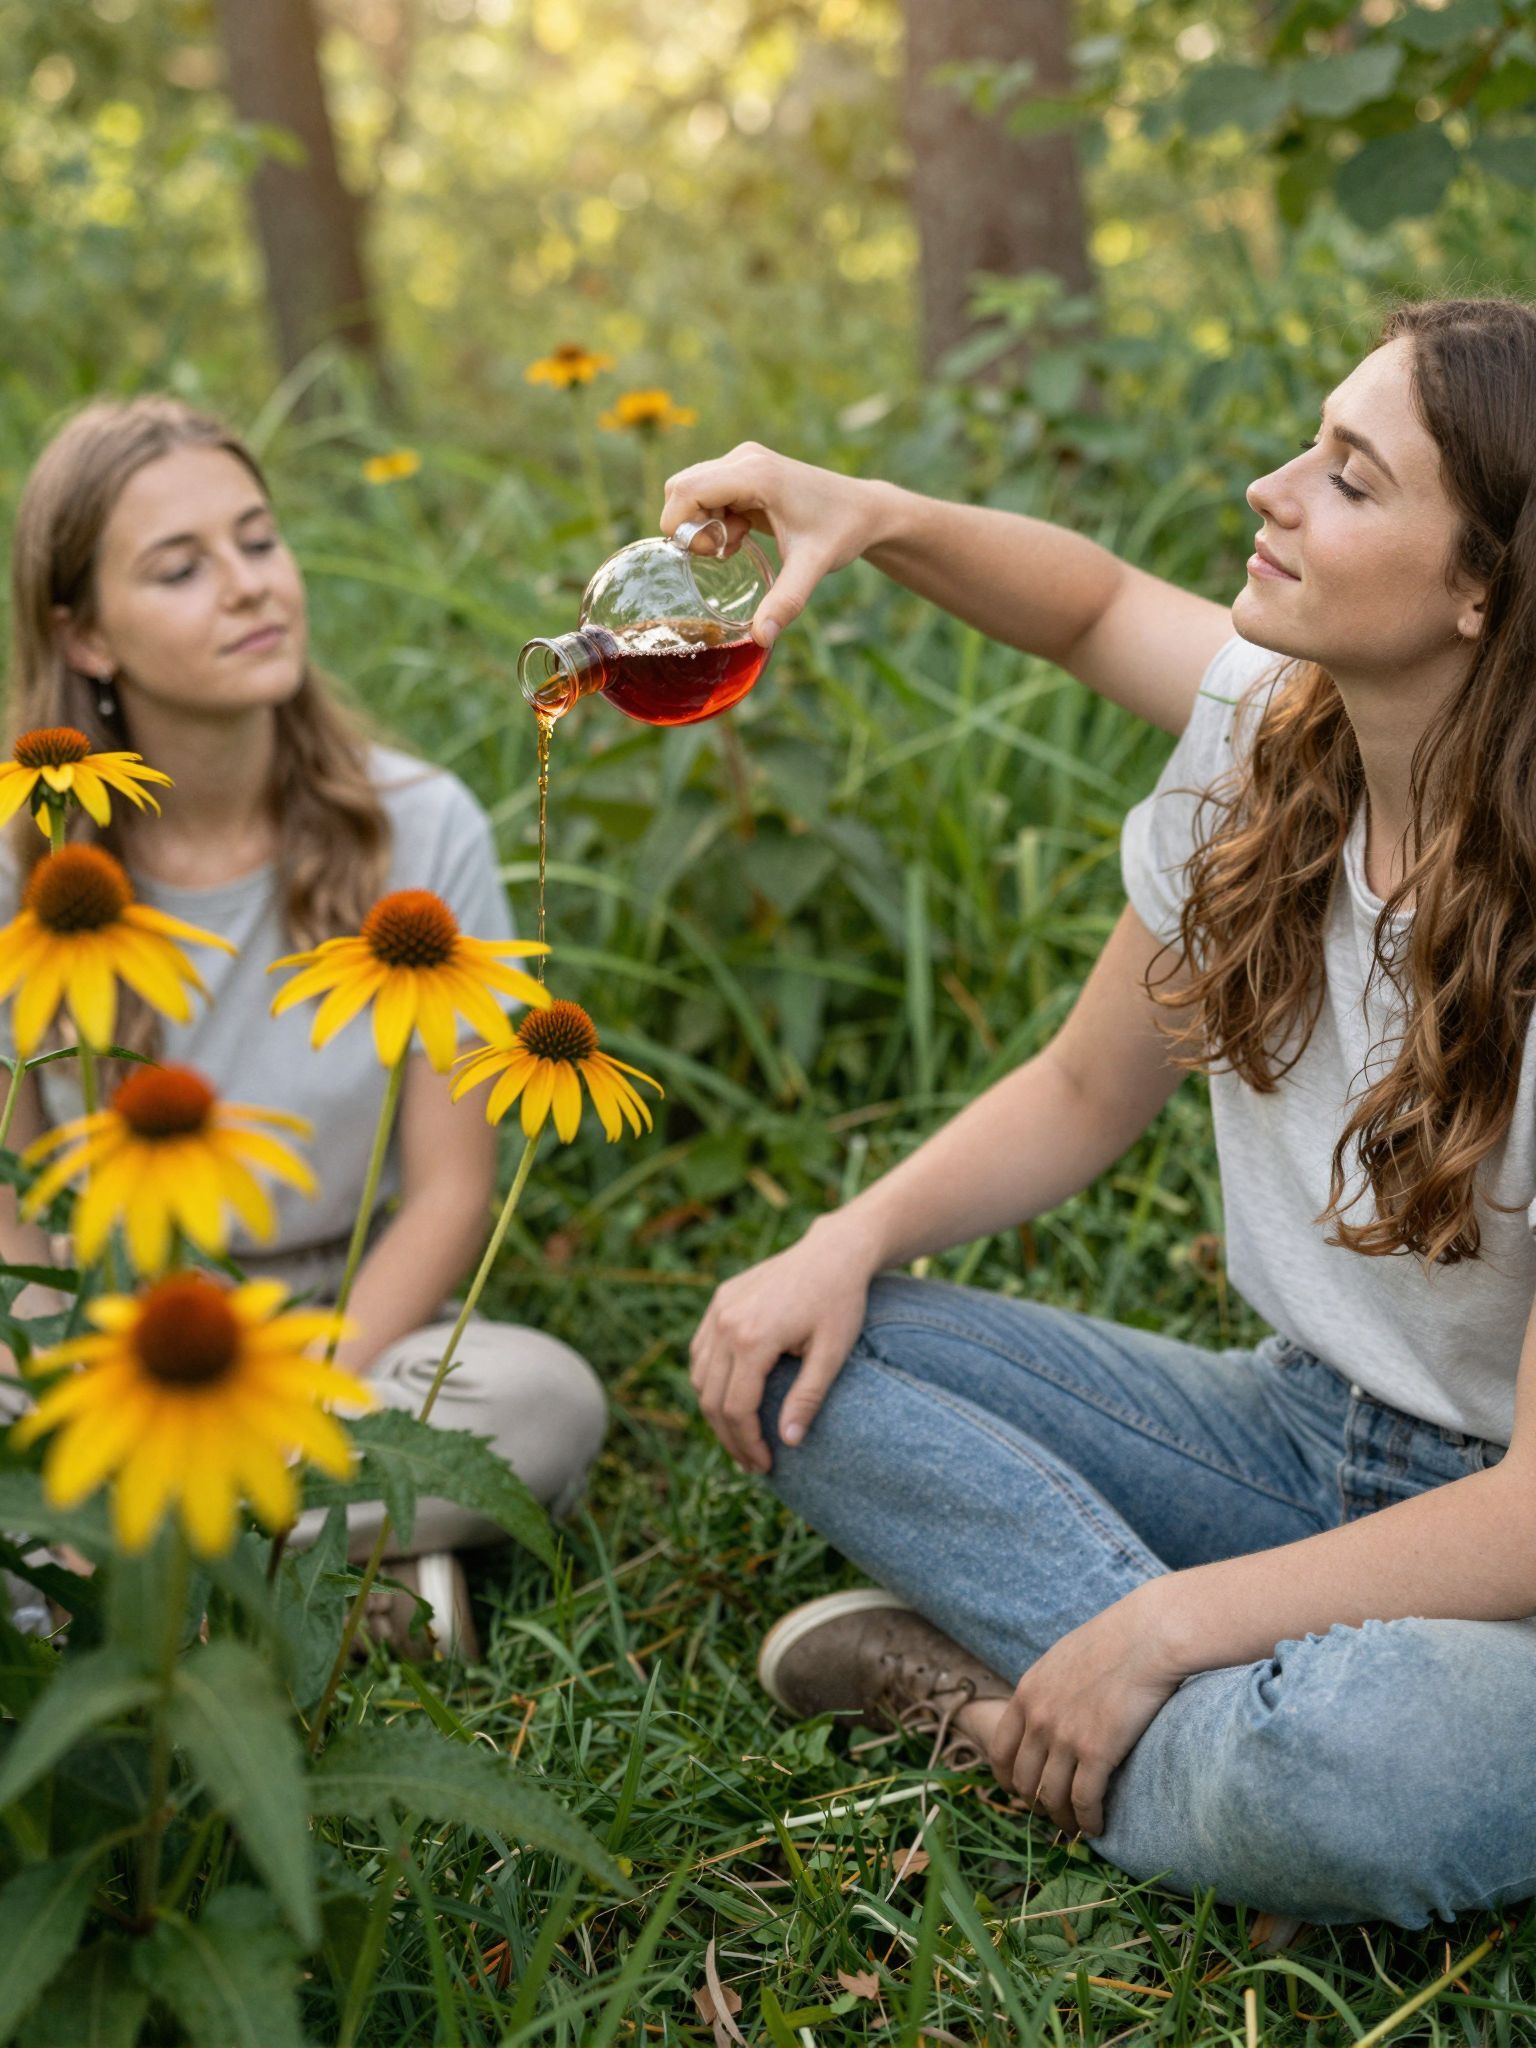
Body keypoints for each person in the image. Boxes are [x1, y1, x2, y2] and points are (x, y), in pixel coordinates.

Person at [666, 294, 1536, 1932]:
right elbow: (1080, 1081)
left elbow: (1531, 1512)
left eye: (1350, 479)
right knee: (793, 1350)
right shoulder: (1277, 741)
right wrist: (870, 511)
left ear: (1482, 587)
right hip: (1292, 1436)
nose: (1273, 489)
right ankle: (1187, 1736)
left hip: (1504, 1545)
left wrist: (1161, 1624)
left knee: (1359, 1765)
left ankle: (1081, 1715)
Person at [0, 396, 607, 1657]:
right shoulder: (27, 857)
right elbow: (7, 1205)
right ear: (86, 635)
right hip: (101, 1325)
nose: (246, 586)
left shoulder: (421, 829)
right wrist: (94, 1400)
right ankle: (345, 1573)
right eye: (180, 567)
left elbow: (449, 1190)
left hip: (347, 1324)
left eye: (258, 540)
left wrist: (278, 1409)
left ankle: (139, 1573)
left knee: (546, 1401)